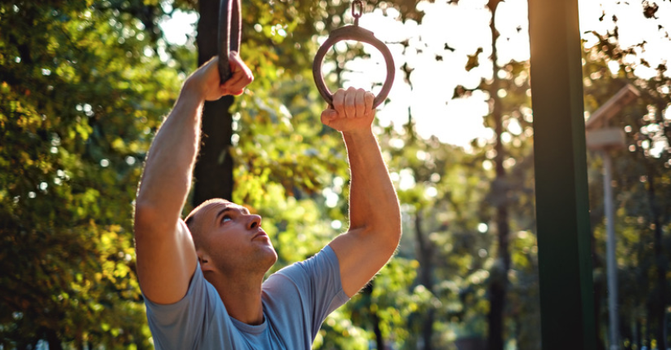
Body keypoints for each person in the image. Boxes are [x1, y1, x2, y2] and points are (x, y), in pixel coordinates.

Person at [133, 51, 401, 349]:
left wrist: (358, 132)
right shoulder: (189, 319)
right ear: (199, 259)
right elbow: (155, 214)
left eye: (244, 212)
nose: (253, 219)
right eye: (226, 219)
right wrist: (193, 93)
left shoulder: (290, 299)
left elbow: (376, 234)